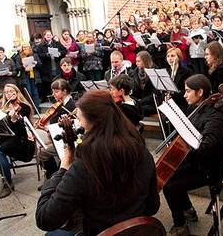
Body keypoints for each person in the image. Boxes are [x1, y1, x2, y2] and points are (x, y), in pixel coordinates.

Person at [36, 90, 159, 235]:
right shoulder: (143, 153)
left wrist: (62, 170)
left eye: (80, 120)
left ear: (92, 123)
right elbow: (152, 207)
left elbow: (44, 218)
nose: (79, 125)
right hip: (136, 232)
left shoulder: (84, 166)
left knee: (53, 234)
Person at [163, 74, 223, 236]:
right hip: (199, 162)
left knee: (170, 186)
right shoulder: (199, 109)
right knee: (168, 175)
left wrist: (185, 151)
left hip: (211, 168)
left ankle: (180, 226)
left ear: (200, 92)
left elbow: (207, 149)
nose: (184, 95)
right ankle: (188, 210)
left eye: (188, 91)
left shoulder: (214, 116)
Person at [0, 84, 35, 199]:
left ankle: (8, 182)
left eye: (12, 91)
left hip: (19, 138)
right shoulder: (3, 106)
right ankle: (5, 168)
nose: (9, 94)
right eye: (6, 92)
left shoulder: (24, 106)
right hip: (4, 137)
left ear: (17, 92)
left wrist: (14, 119)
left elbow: (22, 129)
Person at [35, 79, 76, 188]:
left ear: (64, 91)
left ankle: (53, 177)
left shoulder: (70, 107)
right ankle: (52, 176)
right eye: (53, 91)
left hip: (66, 140)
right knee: (40, 148)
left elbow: (64, 130)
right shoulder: (61, 105)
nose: (53, 94)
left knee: (42, 153)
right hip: (57, 136)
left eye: (56, 91)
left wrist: (45, 129)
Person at [37, 30, 67, 103]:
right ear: (44, 36)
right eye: (47, 35)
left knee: (57, 81)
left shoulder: (56, 43)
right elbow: (39, 55)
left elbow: (64, 50)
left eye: (50, 35)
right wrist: (47, 55)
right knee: (48, 83)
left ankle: (58, 97)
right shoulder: (41, 45)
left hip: (56, 66)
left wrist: (59, 53)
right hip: (47, 67)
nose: (49, 36)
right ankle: (51, 97)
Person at [15, 41, 43, 111]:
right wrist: (23, 66)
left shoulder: (34, 55)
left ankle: (37, 107)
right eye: (24, 47)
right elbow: (17, 68)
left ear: (29, 47)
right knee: (29, 93)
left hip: (33, 75)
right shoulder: (19, 57)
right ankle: (31, 108)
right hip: (25, 76)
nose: (25, 48)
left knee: (35, 92)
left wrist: (36, 63)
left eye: (26, 47)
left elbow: (40, 65)